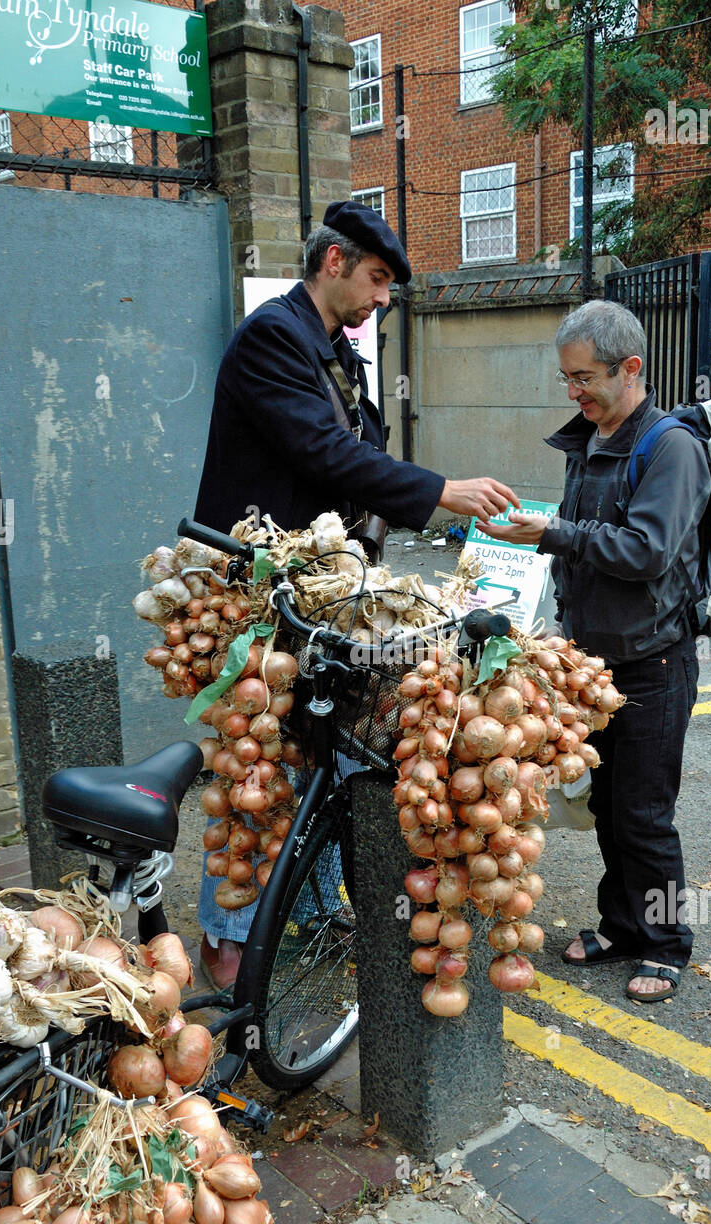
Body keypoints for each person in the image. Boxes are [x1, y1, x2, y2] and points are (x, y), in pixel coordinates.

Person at [193, 200, 520, 988]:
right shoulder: (274, 337)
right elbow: (327, 454)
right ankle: (225, 938)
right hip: (268, 592)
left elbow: (358, 452)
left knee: (326, 745)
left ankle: (304, 907)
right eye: (376, 279)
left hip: (327, 593)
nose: (382, 299)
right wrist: (442, 490)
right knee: (259, 761)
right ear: (334, 262)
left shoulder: (337, 348)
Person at [479, 300, 711, 1003]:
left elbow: (645, 552)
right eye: (566, 379)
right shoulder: (592, 439)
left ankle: (667, 943)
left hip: (654, 661)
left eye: (583, 378)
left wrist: (549, 534)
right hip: (593, 664)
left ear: (630, 368)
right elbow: (582, 543)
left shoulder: (670, 447)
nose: (573, 392)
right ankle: (620, 923)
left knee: (644, 813)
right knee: (607, 805)